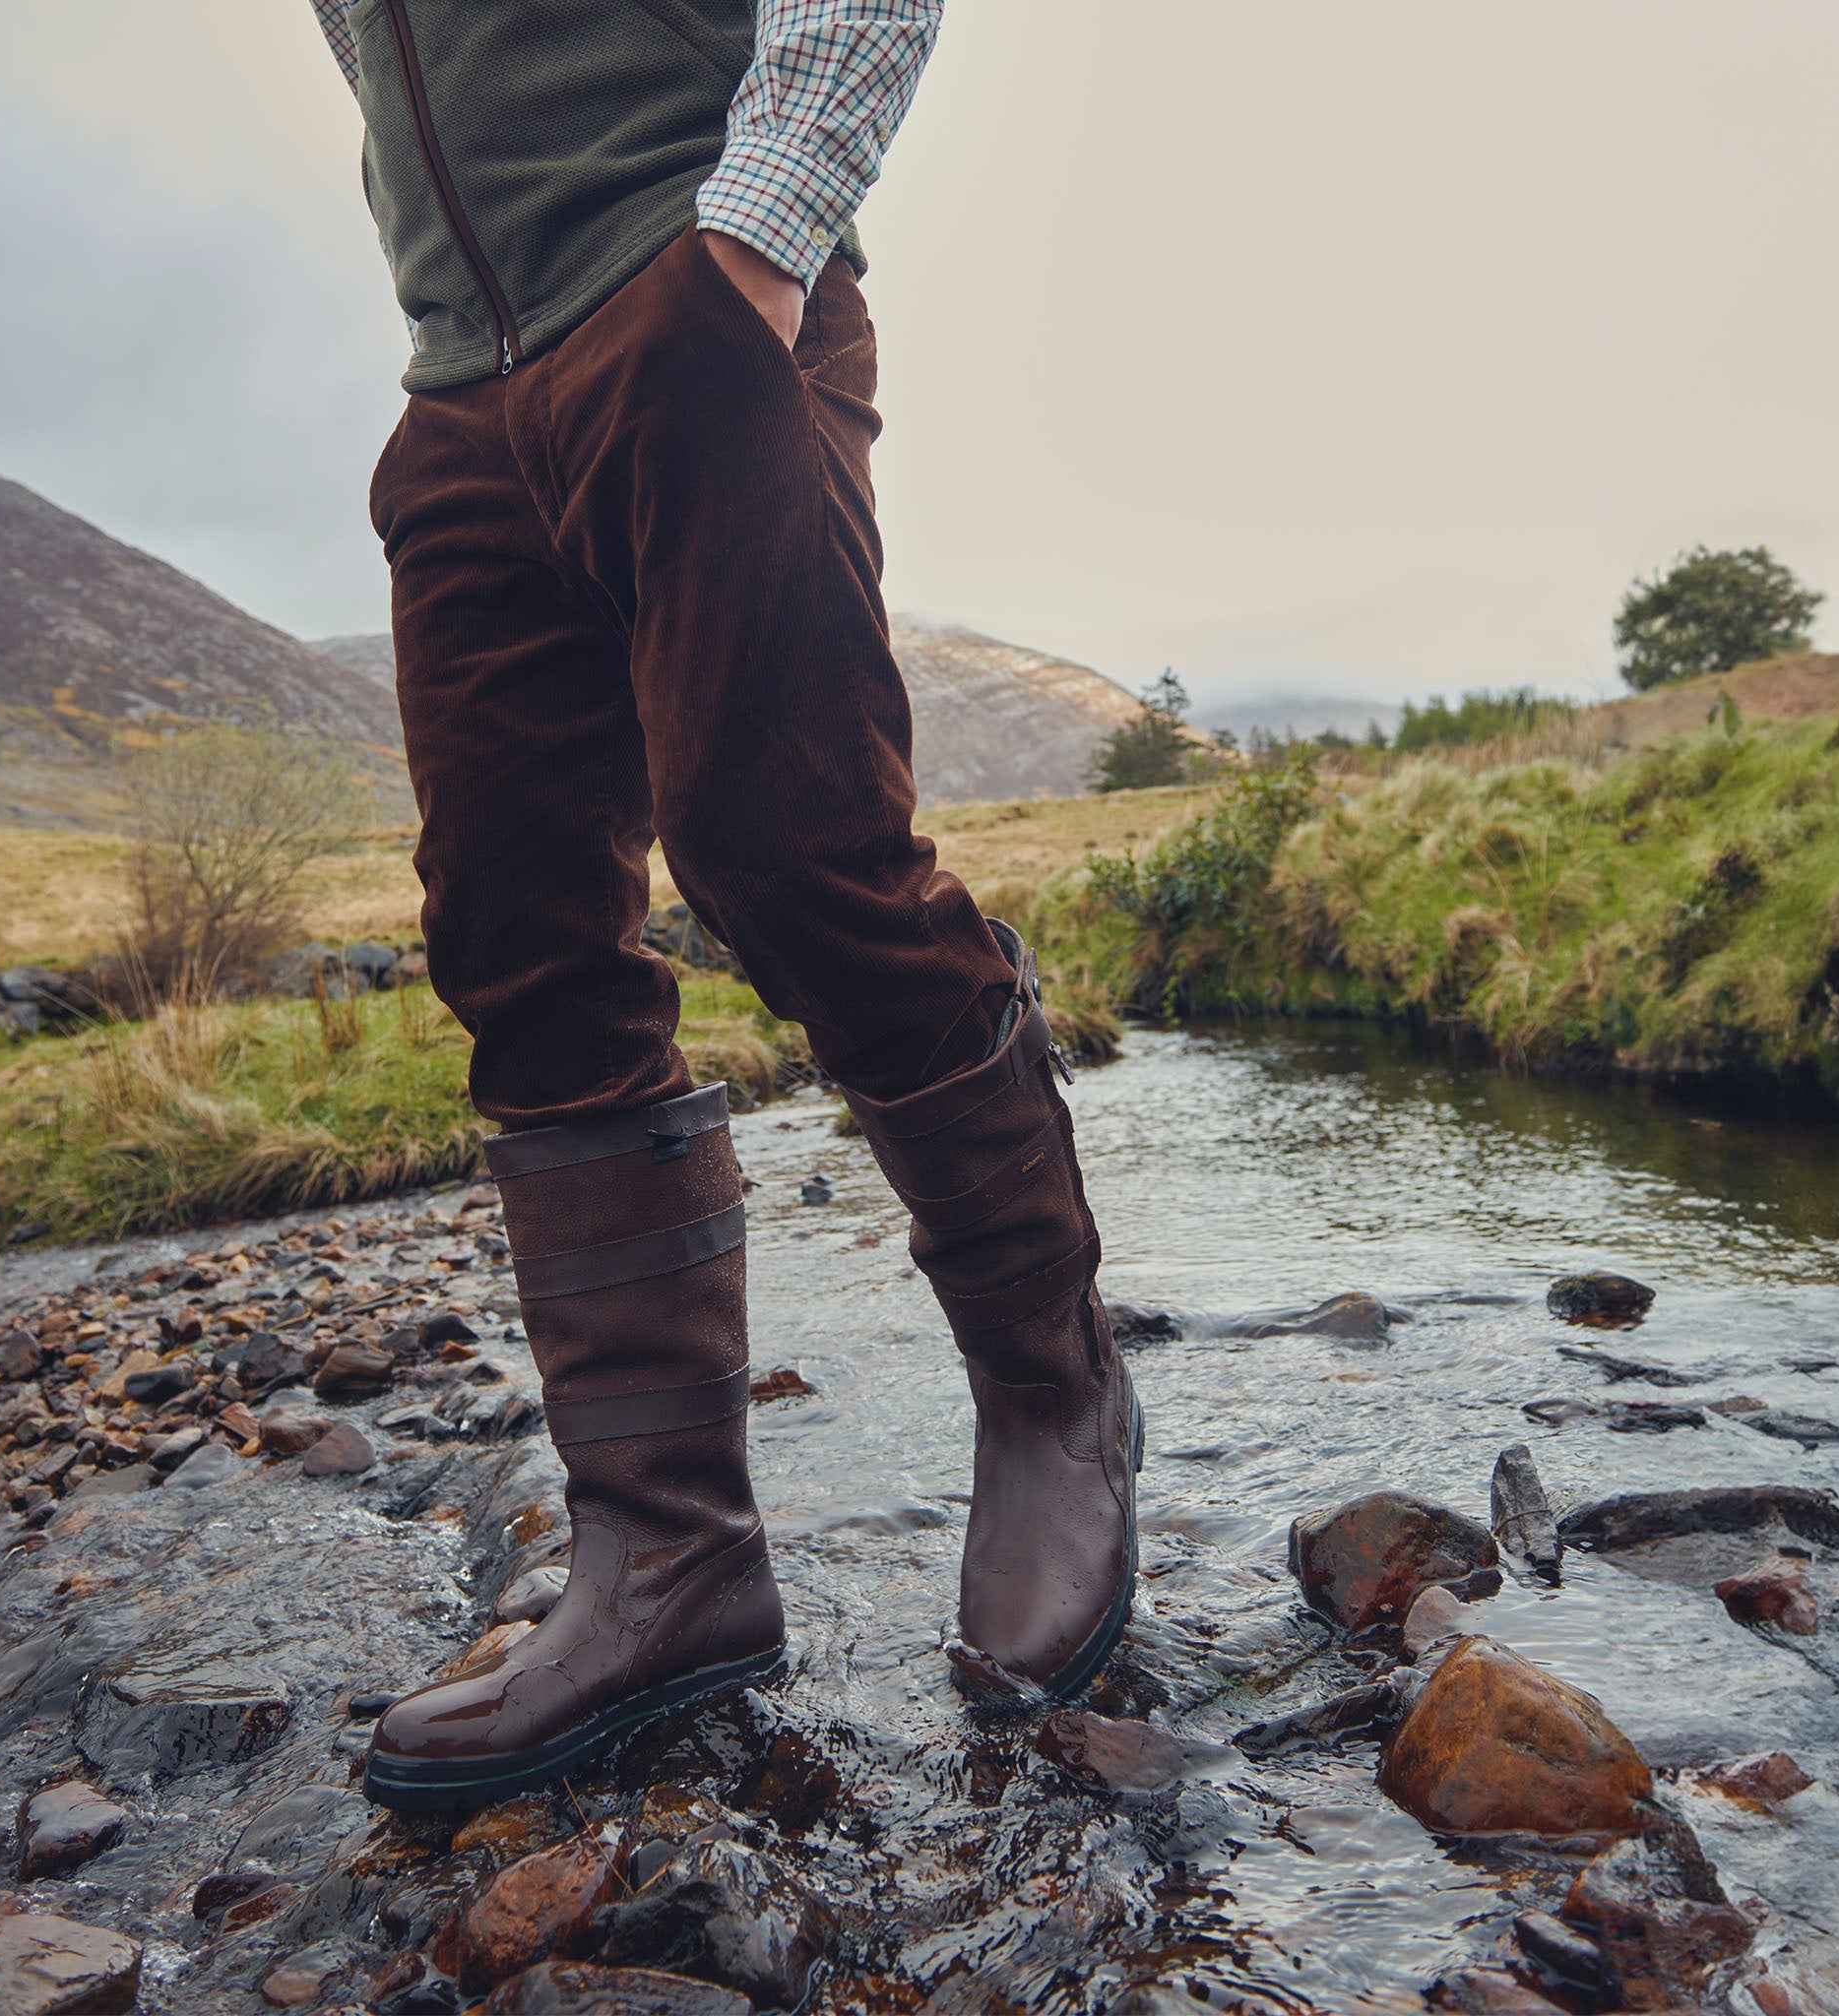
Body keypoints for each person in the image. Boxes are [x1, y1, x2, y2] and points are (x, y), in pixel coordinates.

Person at [305, 0, 1140, 1814]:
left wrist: (753, 237)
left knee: (793, 854)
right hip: (463, 393)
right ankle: (666, 1557)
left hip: (693, 292)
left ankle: (1056, 1400)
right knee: (517, 947)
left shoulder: (724, 278)